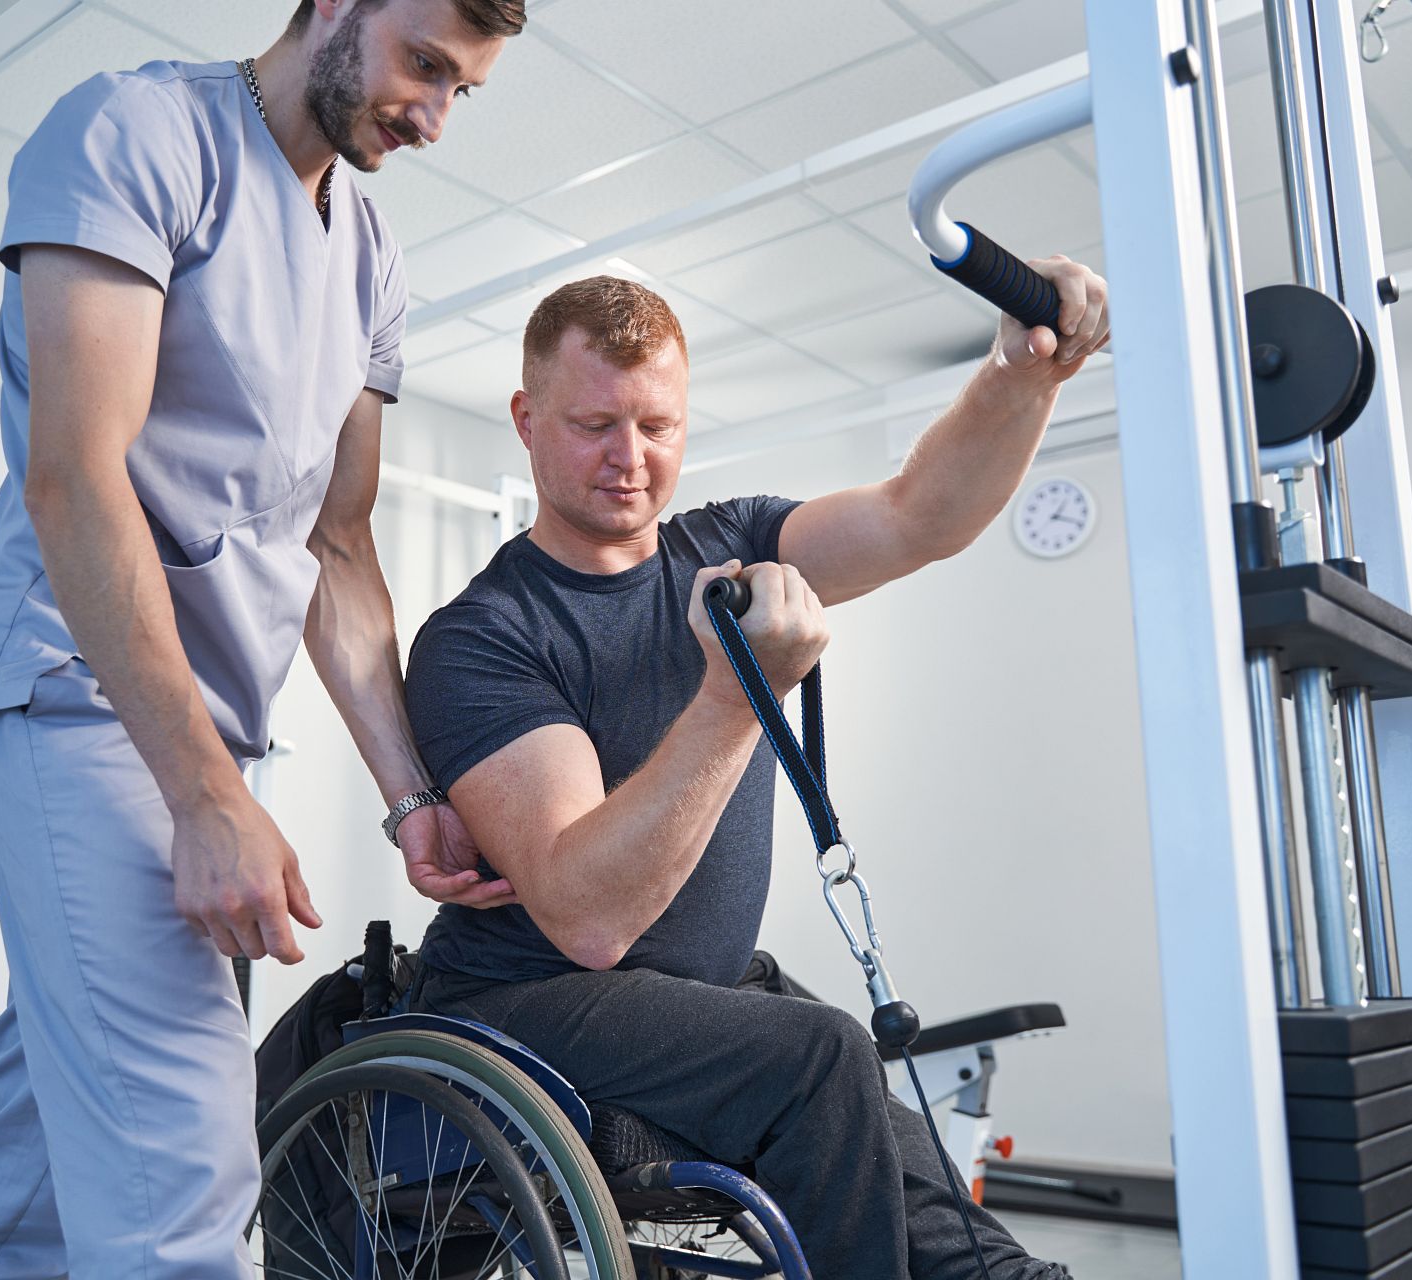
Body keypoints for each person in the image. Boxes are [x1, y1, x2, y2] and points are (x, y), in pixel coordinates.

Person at [0, 2, 526, 1275]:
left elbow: (337, 549)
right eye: (423, 65)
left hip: (204, 736)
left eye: (462, 90)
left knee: (33, 1168)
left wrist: (412, 795)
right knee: (184, 1164)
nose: (434, 118)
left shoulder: (372, 260)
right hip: (76, 689)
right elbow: (75, 477)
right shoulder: (138, 134)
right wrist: (205, 796)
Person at [403, 272, 1111, 1279]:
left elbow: (918, 516)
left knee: (936, 1204)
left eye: (657, 425)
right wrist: (742, 693)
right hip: (524, 997)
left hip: (702, 985)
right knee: (821, 1052)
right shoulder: (484, 637)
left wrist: (1023, 373)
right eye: (594, 424)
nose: (630, 458)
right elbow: (589, 919)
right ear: (526, 419)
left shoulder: (728, 543)